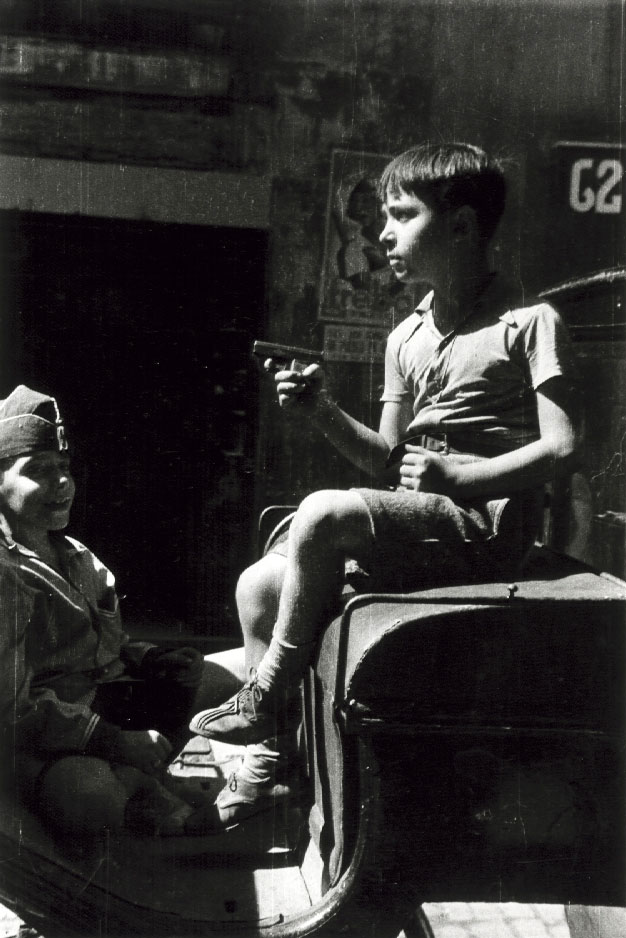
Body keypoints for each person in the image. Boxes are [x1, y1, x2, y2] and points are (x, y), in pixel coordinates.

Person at [190, 142, 582, 829]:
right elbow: (386, 460)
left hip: (483, 534)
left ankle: (265, 694)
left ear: (460, 226)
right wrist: (320, 411)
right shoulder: (405, 335)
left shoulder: (528, 323)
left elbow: (564, 445)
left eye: (401, 215)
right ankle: (273, 765)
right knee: (258, 584)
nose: (383, 234)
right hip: (421, 518)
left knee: (319, 511)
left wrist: (463, 475)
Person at [0, 384, 240, 839]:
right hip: (41, 743)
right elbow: (12, 713)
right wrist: (114, 742)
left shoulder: (71, 553)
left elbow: (100, 646)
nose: (62, 482)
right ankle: (141, 791)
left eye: (64, 468)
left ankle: (141, 785)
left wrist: (148, 657)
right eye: (38, 471)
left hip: (103, 708)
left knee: (240, 674)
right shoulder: (4, 574)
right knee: (89, 796)